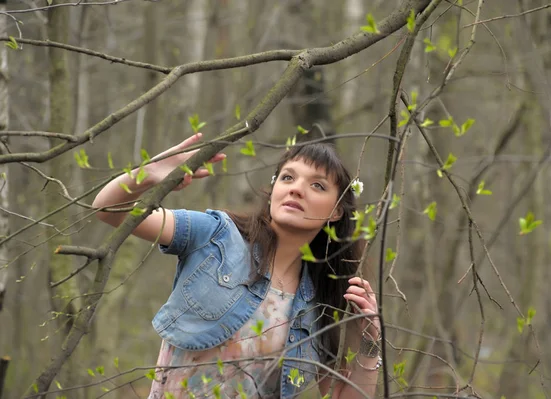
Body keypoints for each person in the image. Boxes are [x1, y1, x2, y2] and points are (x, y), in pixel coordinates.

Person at [92, 133, 382, 399]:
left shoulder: (323, 301)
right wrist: (148, 175)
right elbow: (108, 210)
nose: (296, 189)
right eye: (288, 178)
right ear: (273, 190)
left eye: (317, 185)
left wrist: (370, 344)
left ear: (336, 211)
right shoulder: (215, 235)